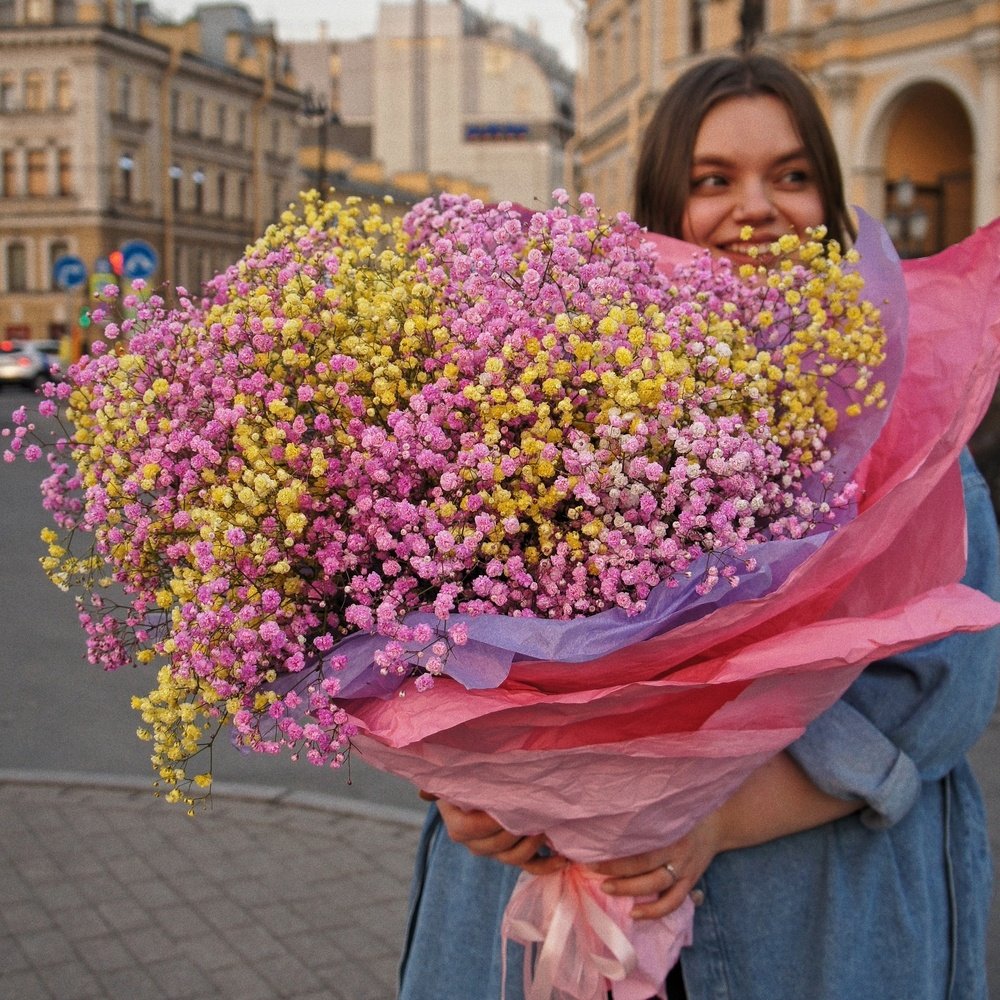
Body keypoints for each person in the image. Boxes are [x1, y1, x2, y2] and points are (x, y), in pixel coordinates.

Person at [396, 54, 1000, 1000]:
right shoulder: (538, 412)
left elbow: (945, 689)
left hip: (805, 925)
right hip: (532, 909)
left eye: (793, 177)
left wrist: (716, 819)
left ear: (835, 209)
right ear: (657, 214)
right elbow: (410, 632)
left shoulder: (903, 422)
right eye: (712, 180)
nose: (755, 208)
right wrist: (474, 793)